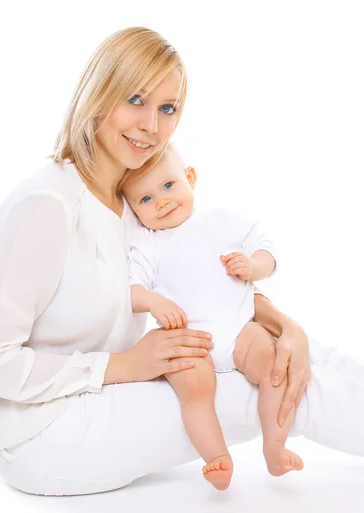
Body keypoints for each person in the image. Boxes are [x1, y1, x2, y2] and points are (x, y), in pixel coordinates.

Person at [0, 27, 364, 496]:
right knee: (270, 384)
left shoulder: (129, 197)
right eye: (134, 99)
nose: (150, 126)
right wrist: (122, 365)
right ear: (98, 94)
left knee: (289, 355)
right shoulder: (46, 207)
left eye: (168, 107)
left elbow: (198, 282)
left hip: (103, 391)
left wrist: (285, 326)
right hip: (40, 433)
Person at [122, 145, 303, 489]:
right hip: (190, 340)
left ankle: (275, 448)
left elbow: (266, 248)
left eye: (168, 186)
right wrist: (154, 302)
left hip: (239, 328)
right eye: (144, 200)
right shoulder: (147, 243)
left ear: (189, 178)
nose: (160, 201)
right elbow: (131, 290)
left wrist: (253, 266)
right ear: (132, 210)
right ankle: (217, 458)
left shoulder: (222, 219)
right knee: (195, 389)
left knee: (273, 368)